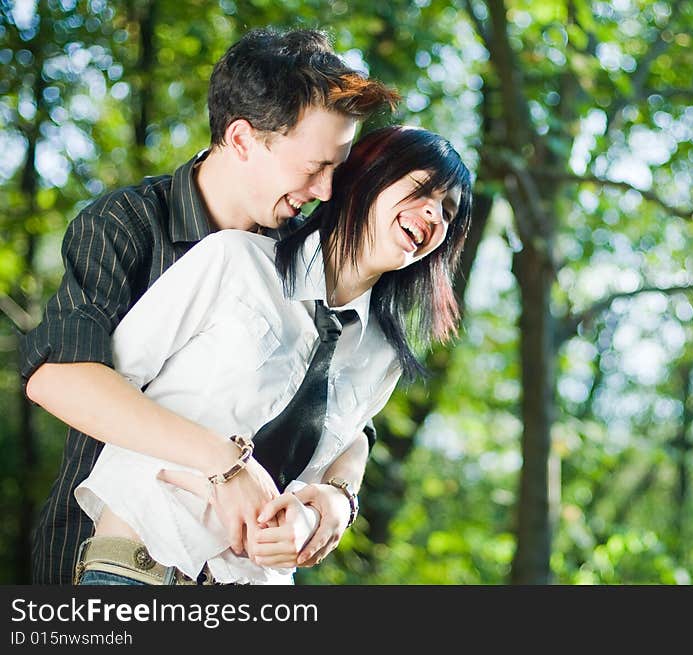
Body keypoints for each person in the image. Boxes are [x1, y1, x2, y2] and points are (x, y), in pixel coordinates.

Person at [21, 27, 398, 584]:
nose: (325, 190)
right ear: (243, 138)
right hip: (108, 559)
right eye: (315, 165)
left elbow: (350, 410)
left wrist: (337, 500)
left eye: (337, 169)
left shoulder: (309, 251)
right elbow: (59, 376)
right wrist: (227, 463)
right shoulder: (126, 224)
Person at [71, 125, 473, 584]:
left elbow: (331, 461)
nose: (434, 214)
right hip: (140, 566)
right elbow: (105, 388)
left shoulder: (383, 356)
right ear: (366, 177)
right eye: (422, 190)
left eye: (448, 211)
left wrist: (318, 513)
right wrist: (220, 464)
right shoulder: (233, 261)